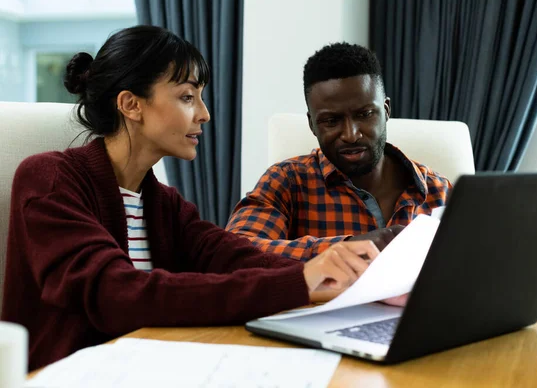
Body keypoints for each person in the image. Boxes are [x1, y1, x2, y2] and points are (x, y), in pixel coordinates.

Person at [0, 27, 381, 370]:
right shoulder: (48, 179)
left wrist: (341, 273)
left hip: (148, 367)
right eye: (187, 97)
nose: (205, 113)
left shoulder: (165, 204)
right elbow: (118, 296)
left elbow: (237, 258)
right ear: (131, 104)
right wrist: (300, 280)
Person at [226, 43, 452, 261]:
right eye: (331, 120)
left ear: (386, 110)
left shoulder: (440, 192)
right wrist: (344, 250)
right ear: (312, 124)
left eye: (364, 114)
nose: (351, 134)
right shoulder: (286, 181)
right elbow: (233, 253)